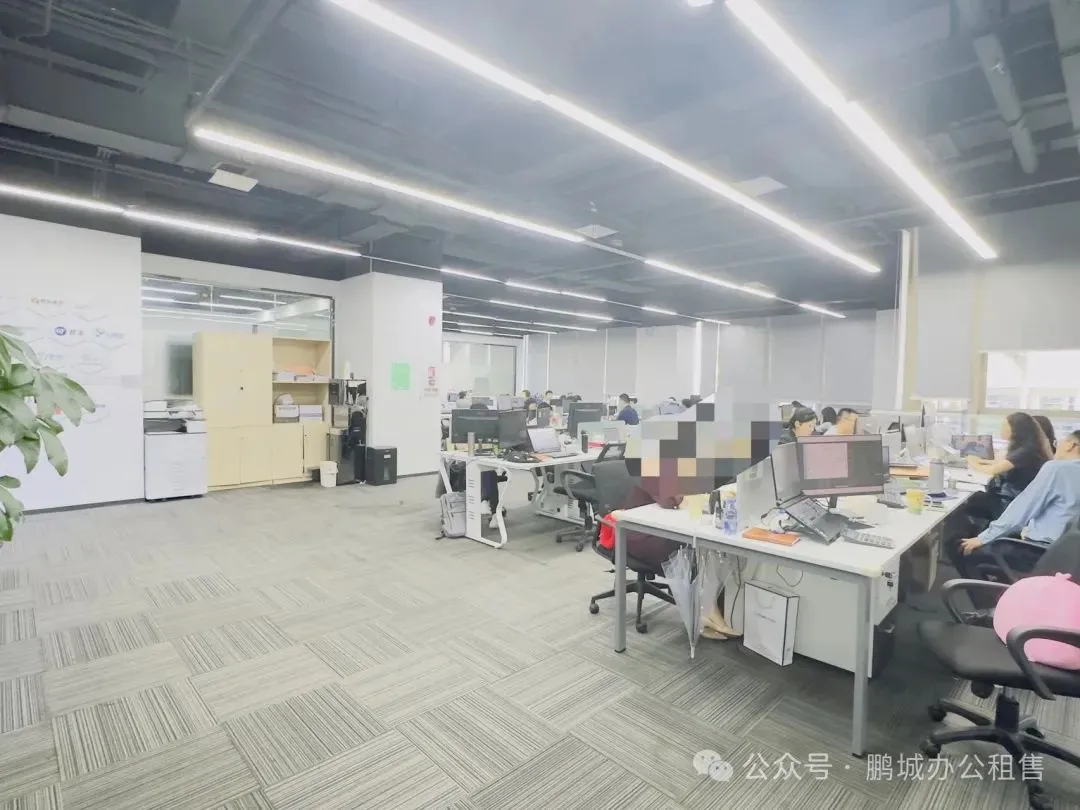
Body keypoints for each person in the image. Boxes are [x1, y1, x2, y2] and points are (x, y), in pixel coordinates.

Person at [950, 429, 1080, 580]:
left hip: (1037, 551)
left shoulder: (1058, 469)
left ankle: (989, 594)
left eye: (1059, 442)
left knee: (956, 545)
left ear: (1071, 445)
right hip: (1068, 557)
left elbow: (1024, 508)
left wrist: (983, 538)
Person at [942, 412, 1054, 566]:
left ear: (1016, 429)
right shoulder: (1027, 448)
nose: (1001, 430)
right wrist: (980, 462)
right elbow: (1000, 465)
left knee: (964, 503)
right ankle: (965, 539)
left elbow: (993, 470)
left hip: (1010, 502)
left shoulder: (1026, 451)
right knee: (970, 499)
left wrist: (972, 461)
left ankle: (960, 543)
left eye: (1005, 426)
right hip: (1012, 497)